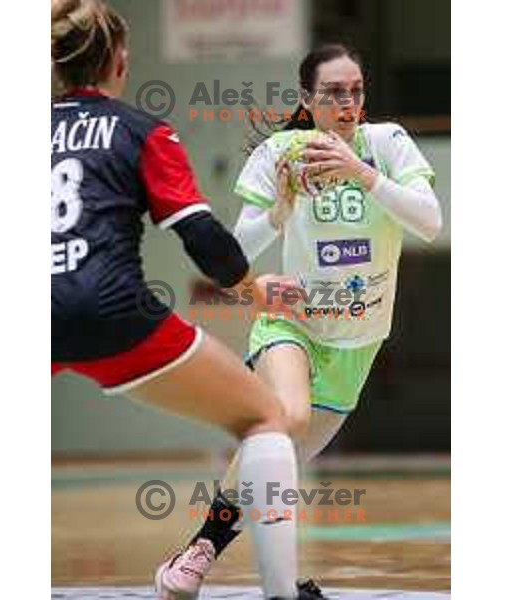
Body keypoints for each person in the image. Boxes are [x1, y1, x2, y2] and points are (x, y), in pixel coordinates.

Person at [50, 2, 325, 599]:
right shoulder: (142, 131)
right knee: (267, 418)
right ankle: (282, 593)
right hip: (114, 313)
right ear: (121, 59)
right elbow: (202, 238)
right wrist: (253, 290)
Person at [157, 43, 442, 597]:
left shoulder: (387, 144)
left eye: (356, 90)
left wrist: (362, 173)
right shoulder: (281, 153)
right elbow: (234, 251)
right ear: (307, 100)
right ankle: (280, 589)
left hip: (358, 343)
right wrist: (279, 211)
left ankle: (197, 552)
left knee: (272, 463)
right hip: (292, 326)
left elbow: (430, 221)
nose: (348, 102)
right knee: (283, 421)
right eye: (334, 92)